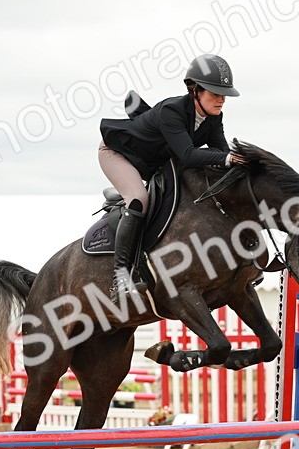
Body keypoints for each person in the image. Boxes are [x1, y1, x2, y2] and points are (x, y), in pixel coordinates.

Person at [98, 53, 247, 297]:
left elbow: (221, 152)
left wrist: (240, 164)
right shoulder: (172, 111)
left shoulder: (214, 117)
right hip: (118, 153)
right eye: (215, 93)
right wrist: (228, 158)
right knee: (138, 199)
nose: (221, 100)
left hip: (154, 160)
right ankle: (121, 277)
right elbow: (189, 155)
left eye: (224, 95)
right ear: (194, 90)